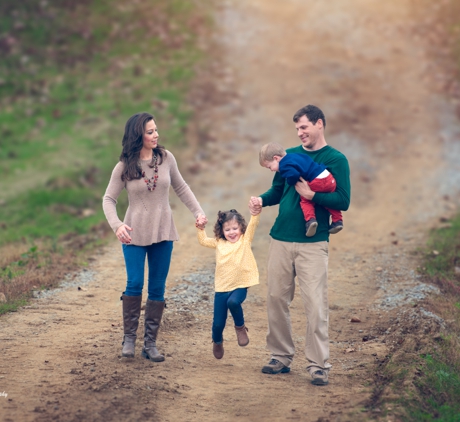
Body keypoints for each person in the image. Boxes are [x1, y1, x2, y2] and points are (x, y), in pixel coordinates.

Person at [249, 104, 351, 386]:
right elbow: (277, 191)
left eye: (304, 127)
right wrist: (261, 199)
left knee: (316, 305)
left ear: (320, 124)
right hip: (281, 238)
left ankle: (318, 365)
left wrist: (312, 195)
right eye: (297, 129)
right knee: (276, 299)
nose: (300, 132)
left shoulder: (336, 159)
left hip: (313, 243)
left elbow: (343, 200)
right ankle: (280, 356)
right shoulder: (288, 156)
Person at [103, 112, 207, 362]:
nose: (156, 135)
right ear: (138, 135)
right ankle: (129, 339)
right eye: (150, 131)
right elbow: (109, 199)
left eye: (156, 130)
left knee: (157, 287)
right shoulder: (124, 167)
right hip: (134, 233)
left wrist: (198, 211)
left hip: (163, 231)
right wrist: (117, 225)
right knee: (135, 283)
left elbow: (181, 186)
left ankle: (150, 344)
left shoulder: (166, 158)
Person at [196, 209, 260, 359]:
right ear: (222, 231)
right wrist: (200, 228)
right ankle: (217, 341)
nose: (232, 232)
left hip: (240, 284)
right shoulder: (219, 243)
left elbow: (253, 224)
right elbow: (203, 241)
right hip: (222, 288)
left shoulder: (245, 240)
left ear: (241, 229)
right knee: (218, 324)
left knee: (233, 302)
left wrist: (255, 212)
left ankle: (240, 327)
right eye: (227, 229)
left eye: (235, 229)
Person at [259, 142, 343, 237]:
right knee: (326, 200)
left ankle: (311, 220)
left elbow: (294, 174)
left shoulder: (284, 165)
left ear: (276, 158)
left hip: (316, 181)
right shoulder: (296, 156)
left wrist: (290, 182)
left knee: (305, 200)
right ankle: (337, 220)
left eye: (269, 167)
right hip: (328, 178)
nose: (271, 170)